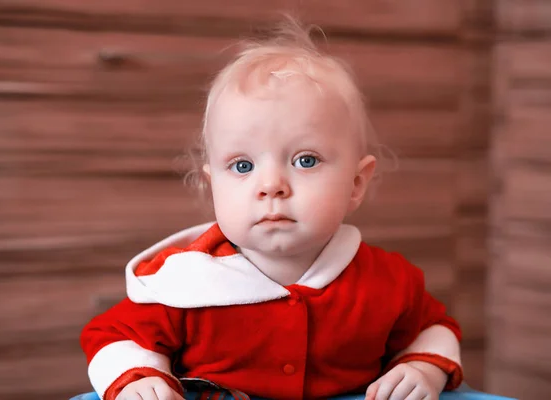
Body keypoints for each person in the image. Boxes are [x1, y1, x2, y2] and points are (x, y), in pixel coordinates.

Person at [80, 17, 463, 400]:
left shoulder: (389, 282)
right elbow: (113, 337)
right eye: (243, 166)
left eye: (306, 160)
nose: (271, 186)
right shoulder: (185, 283)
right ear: (214, 185)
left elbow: (433, 328)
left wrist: (423, 368)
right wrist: (137, 380)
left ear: (356, 184)